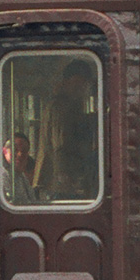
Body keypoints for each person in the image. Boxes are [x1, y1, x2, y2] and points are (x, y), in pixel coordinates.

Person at [32, 60, 99, 200]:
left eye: (83, 85)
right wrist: (66, 180)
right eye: (76, 84)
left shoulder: (68, 106)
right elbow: (59, 147)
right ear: (66, 83)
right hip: (60, 184)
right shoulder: (61, 108)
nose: (81, 89)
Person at [2, 132, 34, 204]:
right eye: (15, 150)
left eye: (24, 151)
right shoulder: (1, 176)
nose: (20, 155)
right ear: (4, 151)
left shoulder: (22, 176)